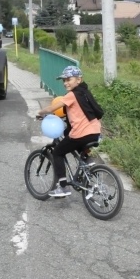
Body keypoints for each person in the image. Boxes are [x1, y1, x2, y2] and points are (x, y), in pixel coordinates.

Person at [36, 66, 104, 198]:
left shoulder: (72, 95)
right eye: (64, 80)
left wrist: (40, 112)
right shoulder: (85, 92)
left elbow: (53, 108)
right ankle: (88, 164)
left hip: (82, 133)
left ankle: (63, 187)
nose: (66, 83)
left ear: (79, 79)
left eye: (69, 79)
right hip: (95, 132)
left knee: (58, 152)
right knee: (75, 143)